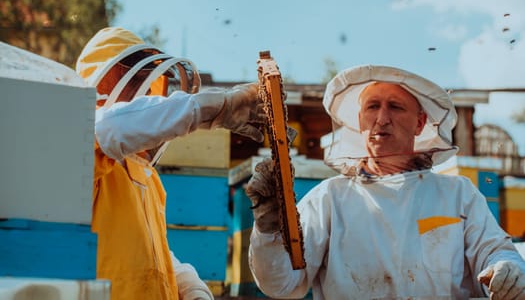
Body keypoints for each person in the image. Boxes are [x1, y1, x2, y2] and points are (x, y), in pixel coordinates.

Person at [245, 65, 525, 299]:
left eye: (395, 106)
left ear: (419, 122)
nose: (382, 118)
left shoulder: (457, 193)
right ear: (360, 120)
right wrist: (268, 227)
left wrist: (507, 269)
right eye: (372, 107)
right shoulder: (330, 198)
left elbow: (495, 252)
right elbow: (279, 283)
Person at [76, 27, 264, 300]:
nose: (145, 96)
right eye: (136, 82)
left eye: (149, 85)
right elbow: (111, 125)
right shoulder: (81, 146)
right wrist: (212, 108)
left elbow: (152, 250)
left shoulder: (146, 176)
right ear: (105, 82)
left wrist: (190, 284)